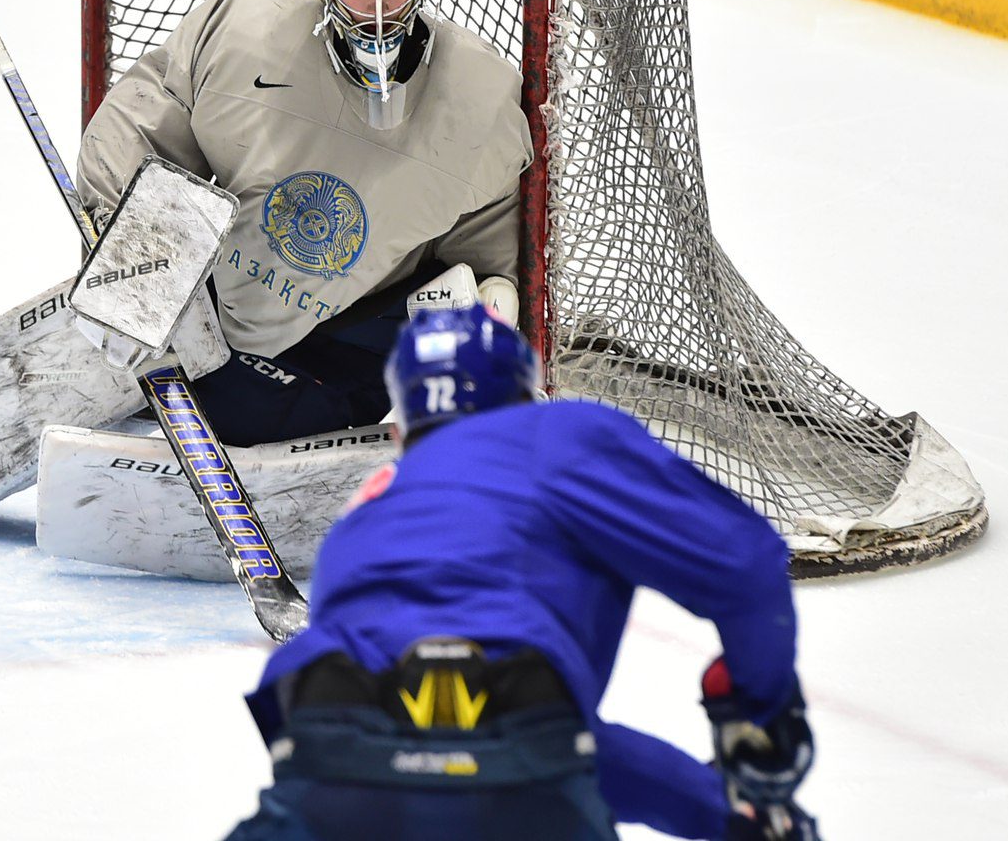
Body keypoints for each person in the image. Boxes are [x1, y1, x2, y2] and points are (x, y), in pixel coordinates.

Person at [228, 304, 821, 840]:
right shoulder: (559, 437)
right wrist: (760, 722)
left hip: (325, 763)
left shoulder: (366, 513)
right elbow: (746, 565)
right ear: (520, 387)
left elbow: (439, 749)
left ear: (403, 415)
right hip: (526, 766)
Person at [76, 0, 532, 446]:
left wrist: (494, 291)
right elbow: (149, 113)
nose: (379, 11)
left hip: (344, 345)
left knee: (247, 421)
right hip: (203, 297)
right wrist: (128, 244)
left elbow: (483, 243)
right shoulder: (247, 26)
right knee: (111, 347)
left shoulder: (479, 98)